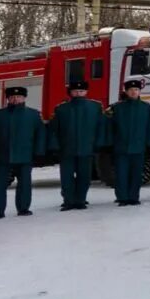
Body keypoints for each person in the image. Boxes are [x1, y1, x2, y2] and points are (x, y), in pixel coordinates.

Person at [0, 85, 47, 220]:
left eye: (18, 97)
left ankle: (23, 208)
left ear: (24, 98)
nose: (15, 99)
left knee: (25, 184)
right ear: (7, 99)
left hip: (25, 156)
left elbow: (40, 135)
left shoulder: (33, 115)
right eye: (12, 97)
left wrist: (39, 153)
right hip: (2, 156)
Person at [49, 79, 103, 210]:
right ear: (70, 92)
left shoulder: (95, 107)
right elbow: (54, 129)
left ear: (86, 91)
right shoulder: (61, 109)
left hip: (87, 148)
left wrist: (99, 144)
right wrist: (55, 146)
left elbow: (100, 127)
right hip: (67, 149)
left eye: (81, 91)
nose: (78, 93)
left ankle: (80, 200)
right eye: (75, 91)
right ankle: (68, 201)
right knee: (66, 177)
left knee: (84, 177)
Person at [104, 78, 150, 206]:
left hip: (139, 147)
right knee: (121, 173)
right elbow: (110, 127)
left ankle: (133, 197)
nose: (134, 92)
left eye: (136, 90)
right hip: (121, 147)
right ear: (126, 91)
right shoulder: (117, 108)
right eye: (131, 90)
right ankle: (122, 197)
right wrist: (109, 144)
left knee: (136, 174)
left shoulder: (146, 108)